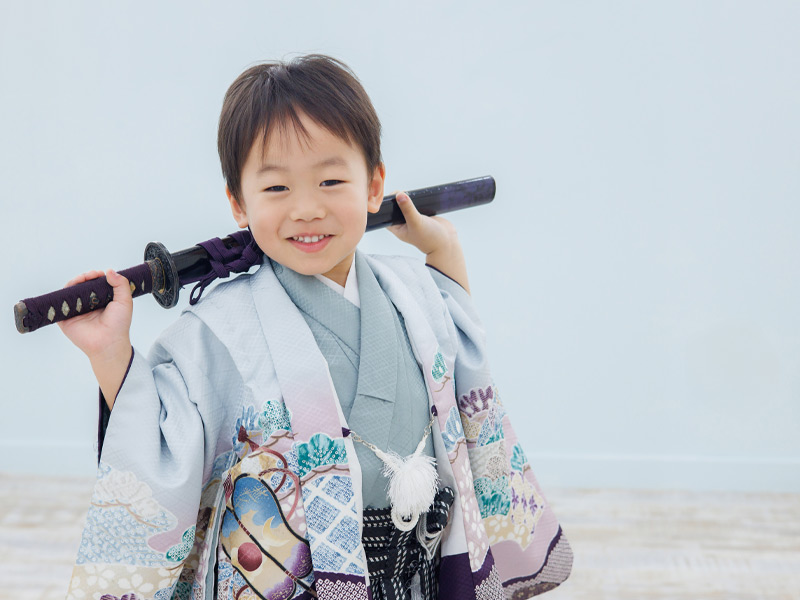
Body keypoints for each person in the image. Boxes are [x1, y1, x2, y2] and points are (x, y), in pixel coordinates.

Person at [58, 54, 571, 600]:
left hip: (412, 566)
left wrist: (444, 248)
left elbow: (461, 348)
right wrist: (110, 352)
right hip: (289, 577)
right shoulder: (220, 328)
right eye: (276, 189)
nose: (306, 208)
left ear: (374, 187)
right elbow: (162, 436)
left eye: (330, 180)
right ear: (239, 202)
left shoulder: (413, 294)